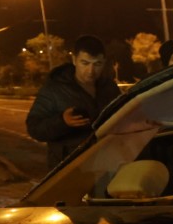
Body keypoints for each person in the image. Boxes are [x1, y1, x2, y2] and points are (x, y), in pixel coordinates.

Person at [26, 35, 122, 169]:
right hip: (69, 167)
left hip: (105, 163)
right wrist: (62, 122)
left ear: (104, 62)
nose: (91, 71)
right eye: (85, 63)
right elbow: (34, 128)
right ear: (74, 60)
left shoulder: (109, 87)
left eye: (97, 64)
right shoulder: (55, 88)